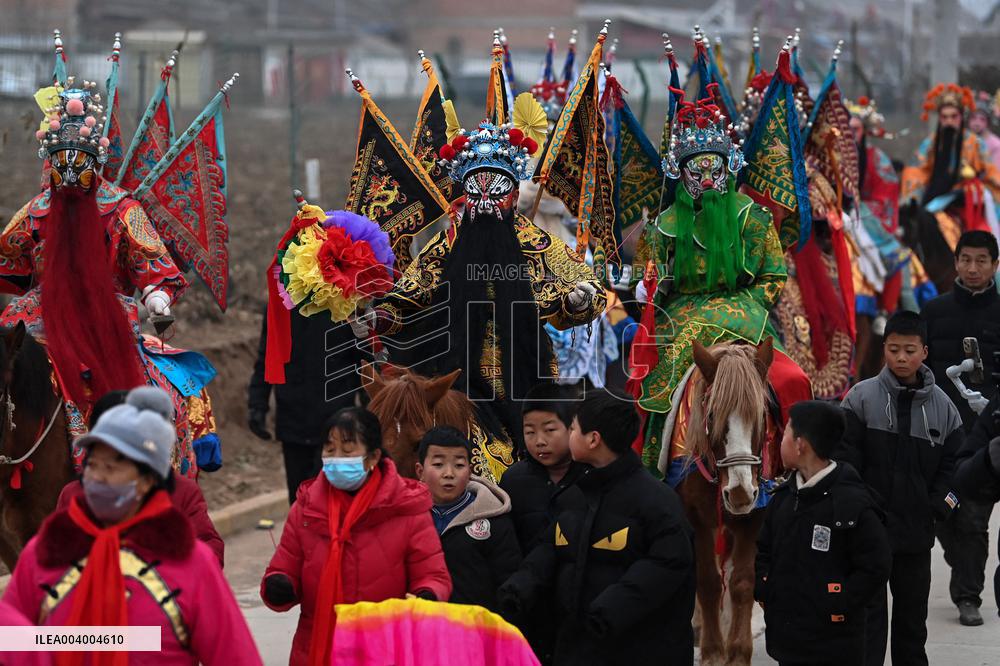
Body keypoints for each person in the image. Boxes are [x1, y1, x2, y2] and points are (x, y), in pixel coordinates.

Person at [351, 83, 606, 456]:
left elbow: (586, 288)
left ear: (515, 196)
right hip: (453, 375)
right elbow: (405, 299)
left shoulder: (536, 244)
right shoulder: (448, 246)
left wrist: (579, 298)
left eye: (496, 191)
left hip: (523, 371)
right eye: (476, 193)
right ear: (465, 198)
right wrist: (375, 317)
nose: (485, 202)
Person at [1, 386, 261, 665]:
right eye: (93, 465)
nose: (98, 478)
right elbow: (14, 643)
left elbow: (234, 656)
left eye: (112, 468)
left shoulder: (192, 564)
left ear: (149, 479)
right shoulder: (44, 554)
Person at [632, 81, 809, 470]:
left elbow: (773, 274)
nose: (708, 179)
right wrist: (650, 287)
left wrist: (748, 302)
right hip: (684, 318)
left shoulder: (754, 217)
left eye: (716, 168)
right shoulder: (662, 227)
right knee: (658, 391)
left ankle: (794, 462)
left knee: (792, 379)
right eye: (698, 170)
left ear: (728, 169)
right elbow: (645, 282)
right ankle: (658, 466)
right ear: (681, 173)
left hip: (745, 314)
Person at [499, 388, 695, 666]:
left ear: (593, 439)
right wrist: (519, 588)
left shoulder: (657, 501)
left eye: (573, 428)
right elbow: (551, 548)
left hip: (639, 649)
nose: (568, 436)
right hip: (580, 647)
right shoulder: (575, 496)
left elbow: (669, 563)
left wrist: (613, 607)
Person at [260, 407, 451, 666]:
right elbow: (284, 566)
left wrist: (427, 595)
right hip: (318, 647)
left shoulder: (406, 508)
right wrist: (279, 585)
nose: (336, 458)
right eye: (330, 450)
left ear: (372, 457)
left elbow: (432, 574)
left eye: (348, 451)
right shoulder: (307, 508)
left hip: (386, 648)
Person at [836, 310, 963, 665]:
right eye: (893, 350)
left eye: (909, 350)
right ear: (884, 350)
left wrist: (938, 507)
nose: (901, 358)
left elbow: (954, 469)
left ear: (925, 351)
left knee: (911, 625)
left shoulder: (944, 409)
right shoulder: (860, 399)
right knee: (867, 623)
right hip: (867, 534)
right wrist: (859, 510)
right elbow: (846, 461)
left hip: (915, 537)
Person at [755, 401, 891, 665]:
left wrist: (838, 603)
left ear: (800, 444)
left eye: (785, 434)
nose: (779, 442)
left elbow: (876, 567)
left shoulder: (853, 504)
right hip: (788, 642)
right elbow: (764, 549)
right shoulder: (783, 498)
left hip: (835, 646)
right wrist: (764, 588)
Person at [922, 230, 1000, 625]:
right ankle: (961, 565)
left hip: (989, 438)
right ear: (956, 262)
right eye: (966, 259)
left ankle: (968, 595)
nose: (973, 268)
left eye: (981, 260)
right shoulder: (933, 312)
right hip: (941, 435)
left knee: (972, 517)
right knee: (940, 514)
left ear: (995, 265)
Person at [55, 390, 225, 567]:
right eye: (95, 462)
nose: (98, 478)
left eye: (118, 460)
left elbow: (209, 551)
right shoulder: (73, 496)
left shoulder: (181, 491)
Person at [498, 382, 587, 664]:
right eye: (529, 431)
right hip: (529, 605)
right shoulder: (514, 480)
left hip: (578, 604)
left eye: (550, 430)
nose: (539, 441)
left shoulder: (590, 476)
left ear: (572, 428)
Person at [249, 307, 363, 503]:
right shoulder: (282, 300)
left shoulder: (345, 297)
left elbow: (362, 357)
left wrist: (373, 411)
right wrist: (257, 403)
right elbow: (268, 353)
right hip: (293, 418)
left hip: (337, 423)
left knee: (335, 501)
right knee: (299, 501)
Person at [415, 426, 521, 611]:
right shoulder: (406, 518)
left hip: (477, 629)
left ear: (470, 471)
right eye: (438, 464)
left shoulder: (493, 520)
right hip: (419, 628)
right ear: (420, 471)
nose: (449, 473)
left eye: (459, 465)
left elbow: (508, 583)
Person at [901, 84, 1000, 248]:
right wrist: (912, 198)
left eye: (954, 116)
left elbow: (991, 175)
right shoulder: (930, 144)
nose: (949, 121)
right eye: (944, 117)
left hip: (967, 206)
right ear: (939, 119)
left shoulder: (975, 144)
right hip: (933, 203)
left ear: (961, 118)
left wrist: (973, 190)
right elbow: (916, 172)